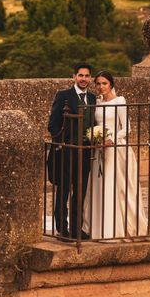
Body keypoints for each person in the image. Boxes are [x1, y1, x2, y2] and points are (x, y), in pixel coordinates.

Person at [83, 71, 148, 239]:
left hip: (115, 148)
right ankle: (98, 227)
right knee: (99, 186)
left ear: (111, 84)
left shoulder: (120, 101)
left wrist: (111, 139)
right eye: (98, 83)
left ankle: (114, 229)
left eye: (104, 83)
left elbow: (127, 128)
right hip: (99, 149)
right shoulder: (96, 103)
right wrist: (95, 138)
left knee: (115, 187)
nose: (101, 87)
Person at [47, 63, 97, 239]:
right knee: (64, 190)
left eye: (87, 76)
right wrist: (61, 145)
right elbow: (52, 125)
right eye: (80, 75)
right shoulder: (63, 96)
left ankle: (77, 228)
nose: (84, 79)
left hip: (85, 153)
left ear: (90, 78)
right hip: (67, 151)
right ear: (74, 76)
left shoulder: (92, 98)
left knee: (80, 191)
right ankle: (63, 229)